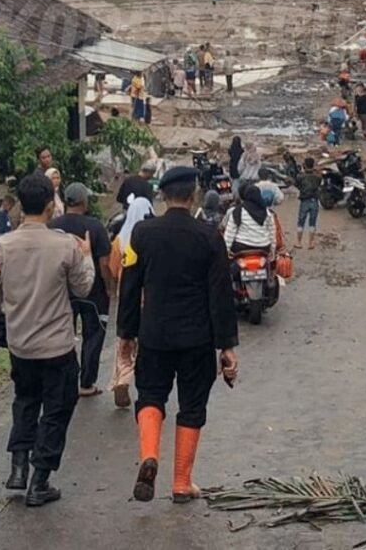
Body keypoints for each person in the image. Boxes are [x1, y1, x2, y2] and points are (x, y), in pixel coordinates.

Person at [117, 166, 239, 504]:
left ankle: (148, 457)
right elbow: (221, 295)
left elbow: (130, 287)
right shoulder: (209, 236)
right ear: (194, 195)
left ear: (163, 196)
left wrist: (126, 334)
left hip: (154, 334)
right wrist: (226, 346)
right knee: (192, 406)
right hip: (197, 339)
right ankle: (182, 483)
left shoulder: (142, 233)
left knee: (151, 397)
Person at [0, 172, 94, 507]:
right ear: (49, 207)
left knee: (26, 401)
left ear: (18, 206)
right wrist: (86, 254)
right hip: (57, 345)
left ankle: (18, 467)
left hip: (20, 345)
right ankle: (40, 479)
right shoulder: (65, 246)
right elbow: (83, 288)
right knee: (57, 410)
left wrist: (11, 312)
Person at [51, 183, 113, 398]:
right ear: (85, 202)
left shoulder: (53, 226)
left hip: (61, 292)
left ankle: (62, 382)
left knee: (61, 336)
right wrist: (109, 288)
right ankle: (86, 383)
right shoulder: (95, 227)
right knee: (93, 336)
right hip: (93, 293)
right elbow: (104, 263)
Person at [108, 197, 154, 408]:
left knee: (125, 342)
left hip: (126, 297)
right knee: (146, 341)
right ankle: (146, 381)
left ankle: (122, 379)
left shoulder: (120, 240)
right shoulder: (153, 238)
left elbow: (113, 268)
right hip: (149, 298)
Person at [222, 184, 277, 256]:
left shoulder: (238, 211)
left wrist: (226, 251)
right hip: (263, 247)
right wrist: (273, 250)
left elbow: (230, 233)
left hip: (241, 247)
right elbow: (272, 233)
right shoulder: (267, 212)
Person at [294, 158, 321, 250]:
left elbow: (297, 185)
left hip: (304, 201)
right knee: (312, 223)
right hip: (314, 201)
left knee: (301, 222)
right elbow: (319, 183)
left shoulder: (300, 176)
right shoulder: (318, 177)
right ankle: (310, 243)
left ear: (304, 165)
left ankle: (299, 242)